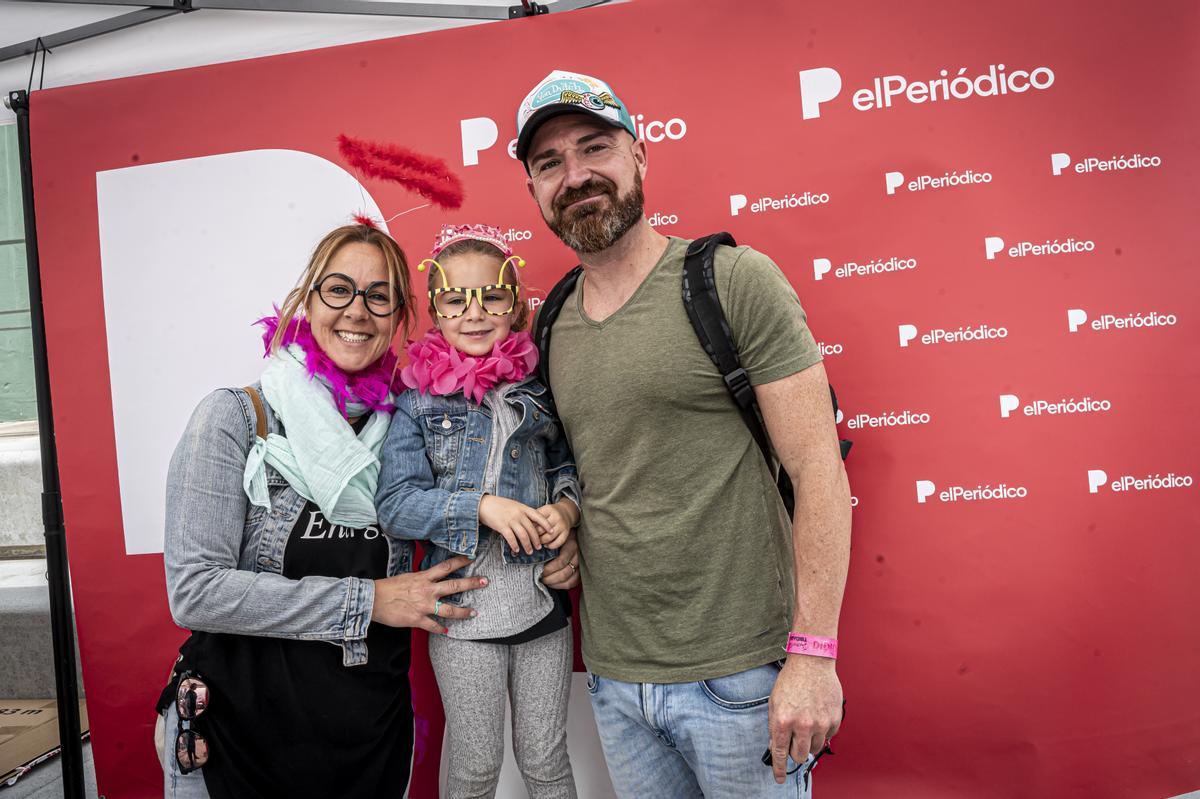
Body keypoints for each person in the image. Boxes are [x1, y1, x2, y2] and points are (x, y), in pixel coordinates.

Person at [513, 70, 852, 797]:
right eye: (550, 163)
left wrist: (814, 655)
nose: (576, 175)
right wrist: (568, 522)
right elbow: (595, 468)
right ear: (535, 193)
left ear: (640, 157)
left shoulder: (731, 280)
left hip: (744, 676)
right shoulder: (553, 322)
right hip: (615, 676)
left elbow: (820, 468)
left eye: (595, 147)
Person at [156, 222, 580, 798]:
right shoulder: (236, 417)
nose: (358, 310)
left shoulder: (398, 423)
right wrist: (371, 600)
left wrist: (565, 525)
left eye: (378, 295)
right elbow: (196, 592)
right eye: (339, 290)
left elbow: (537, 472)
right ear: (308, 301)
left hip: (370, 740)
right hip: (245, 735)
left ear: (398, 318)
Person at [376, 223, 581, 799]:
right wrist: (481, 506)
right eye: (455, 299)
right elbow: (395, 504)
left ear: (514, 307)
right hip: (463, 616)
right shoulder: (416, 400)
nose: (474, 312)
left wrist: (567, 515)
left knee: (545, 758)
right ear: (435, 311)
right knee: (475, 764)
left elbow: (571, 470)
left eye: (491, 296)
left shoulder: (538, 390)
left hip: (541, 603)